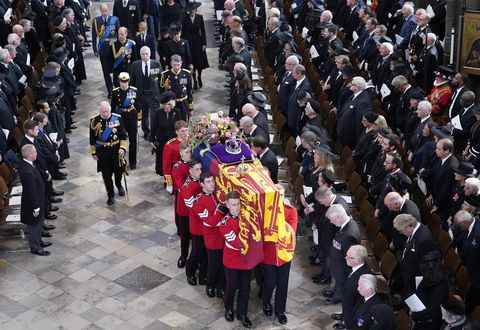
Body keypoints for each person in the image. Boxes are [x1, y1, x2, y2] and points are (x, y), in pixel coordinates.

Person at [214, 191, 253, 328]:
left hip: (245, 260)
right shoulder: (224, 223)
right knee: (231, 287)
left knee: (245, 287)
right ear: (227, 205)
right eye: (232, 205)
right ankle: (229, 308)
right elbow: (237, 242)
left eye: (237, 204)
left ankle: (242, 313)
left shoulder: (246, 218)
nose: (235, 207)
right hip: (232, 260)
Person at [262, 198, 298, 325]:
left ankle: (280, 311)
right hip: (269, 253)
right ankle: (266, 302)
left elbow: (291, 231)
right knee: (269, 282)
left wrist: (277, 224)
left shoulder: (291, 210)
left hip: (284, 255)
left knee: (282, 284)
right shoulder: (265, 210)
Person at [89, 101, 128, 205]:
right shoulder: (94, 121)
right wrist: (93, 152)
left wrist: (123, 148)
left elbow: (123, 136)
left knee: (118, 171)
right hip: (102, 152)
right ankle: (110, 195)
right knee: (106, 176)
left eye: (106, 112)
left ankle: (119, 185)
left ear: (110, 110)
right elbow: (92, 139)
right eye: (102, 112)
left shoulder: (117, 118)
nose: (105, 114)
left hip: (116, 151)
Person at [393, 214, 438, 296]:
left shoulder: (423, 239)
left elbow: (425, 265)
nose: (402, 233)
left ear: (408, 226)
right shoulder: (415, 231)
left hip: (416, 277)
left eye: (401, 231)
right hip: (409, 272)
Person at [324, 204, 360, 304]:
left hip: (342, 268)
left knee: (341, 284)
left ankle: (338, 297)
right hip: (337, 264)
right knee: (338, 283)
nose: (331, 222)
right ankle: (336, 293)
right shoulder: (345, 226)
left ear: (339, 217)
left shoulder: (349, 234)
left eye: (332, 219)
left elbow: (349, 256)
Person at [18, 144, 49, 256]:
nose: (36, 154)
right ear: (30, 155)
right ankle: (35, 248)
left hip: (38, 200)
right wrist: (36, 206)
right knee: (34, 226)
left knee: (39, 223)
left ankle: (39, 242)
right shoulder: (27, 171)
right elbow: (31, 191)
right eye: (35, 152)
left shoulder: (29, 164)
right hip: (32, 204)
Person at [331, 245, 371, 330]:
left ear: (358, 260)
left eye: (350, 257)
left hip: (353, 309)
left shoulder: (361, 276)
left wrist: (348, 319)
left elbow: (356, 301)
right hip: (349, 304)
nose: (346, 258)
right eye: (346, 255)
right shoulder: (357, 267)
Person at [129, 45, 162, 139]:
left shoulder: (156, 64)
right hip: (141, 95)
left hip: (153, 95)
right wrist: (133, 95)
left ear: (150, 54)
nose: (145, 56)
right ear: (140, 55)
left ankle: (154, 132)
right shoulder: (135, 65)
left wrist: (161, 94)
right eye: (143, 54)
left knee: (154, 114)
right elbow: (132, 81)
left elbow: (161, 80)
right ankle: (146, 132)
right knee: (144, 114)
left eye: (146, 54)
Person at [110, 72, 139, 169]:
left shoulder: (134, 91)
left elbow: (138, 104)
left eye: (126, 81)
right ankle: (120, 161)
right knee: (120, 140)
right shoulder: (115, 92)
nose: (124, 83)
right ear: (119, 81)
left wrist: (138, 117)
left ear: (128, 81)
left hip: (131, 117)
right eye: (122, 81)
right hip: (120, 118)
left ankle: (133, 162)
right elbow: (113, 107)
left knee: (133, 140)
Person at [177, 161, 202, 270]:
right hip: (186, 214)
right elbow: (191, 206)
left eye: (200, 169)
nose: (200, 172)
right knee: (185, 236)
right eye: (197, 169)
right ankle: (183, 256)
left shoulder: (201, 181)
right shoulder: (187, 186)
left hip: (196, 217)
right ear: (190, 171)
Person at [92, 4, 120, 98]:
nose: (105, 12)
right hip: (103, 49)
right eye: (103, 11)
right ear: (100, 11)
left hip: (113, 49)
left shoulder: (115, 19)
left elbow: (118, 33)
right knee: (106, 72)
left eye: (106, 10)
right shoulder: (96, 21)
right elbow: (93, 36)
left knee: (115, 70)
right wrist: (95, 49)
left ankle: (117, 89)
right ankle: (110, 91)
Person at [151, 91, 182, 176]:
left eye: (170, 105)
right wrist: (152, 140)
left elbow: (181, 126)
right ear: (163, 104)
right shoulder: (158, 113)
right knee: (163, 162)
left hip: (173, 142)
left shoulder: (177, 112)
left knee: (173, 161)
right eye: (167, 104)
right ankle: (165, 177)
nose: (168, 107)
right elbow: (154, 127)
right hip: (162, 142)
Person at [181, 2, 209, 89]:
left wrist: (204, 43)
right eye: (191, 10)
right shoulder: (185, 19)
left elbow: (203, 31)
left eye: (193, 10)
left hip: (198, 41)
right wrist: (183, 43)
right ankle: (194, 79)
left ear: (195, 10)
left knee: (199, 62)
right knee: (191, 61)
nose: (192, 11)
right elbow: (183, 33)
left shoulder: (200, 17)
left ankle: (199, 76)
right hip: (189, 42)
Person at [160, 55, 193, 121]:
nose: (176, 67)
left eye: (178, 64)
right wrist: (164, 105)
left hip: (183, 102)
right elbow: (162, 92)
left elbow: (189, 90)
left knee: (184, 122)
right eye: (174, 65)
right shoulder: (165, 75)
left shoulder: (186, 74)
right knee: (171, 122)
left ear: (181, 63)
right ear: (171, 64)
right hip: (171, 104)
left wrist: (190, 107)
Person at [162, 120, 188, 191]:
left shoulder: (190, 141)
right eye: (182, 131)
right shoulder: (170, 145)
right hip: (177, 177)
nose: (185, 133)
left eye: (186, 130)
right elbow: (166, 167)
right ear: (177, 132)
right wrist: (169, 184)